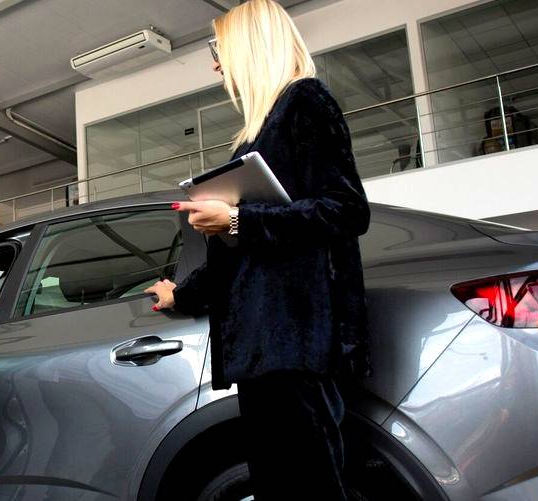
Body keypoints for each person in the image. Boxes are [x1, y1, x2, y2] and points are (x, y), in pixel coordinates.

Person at [145, 1, 370, 499]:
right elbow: (241, 254)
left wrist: (240, 218)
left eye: (217, 49)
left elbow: (348, 209)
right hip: (268, 345)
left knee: (311, 487)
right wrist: (181, 295)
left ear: (250, 46)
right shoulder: (260, 130)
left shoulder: (305, 101)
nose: (214, 63)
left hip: (294, 340)